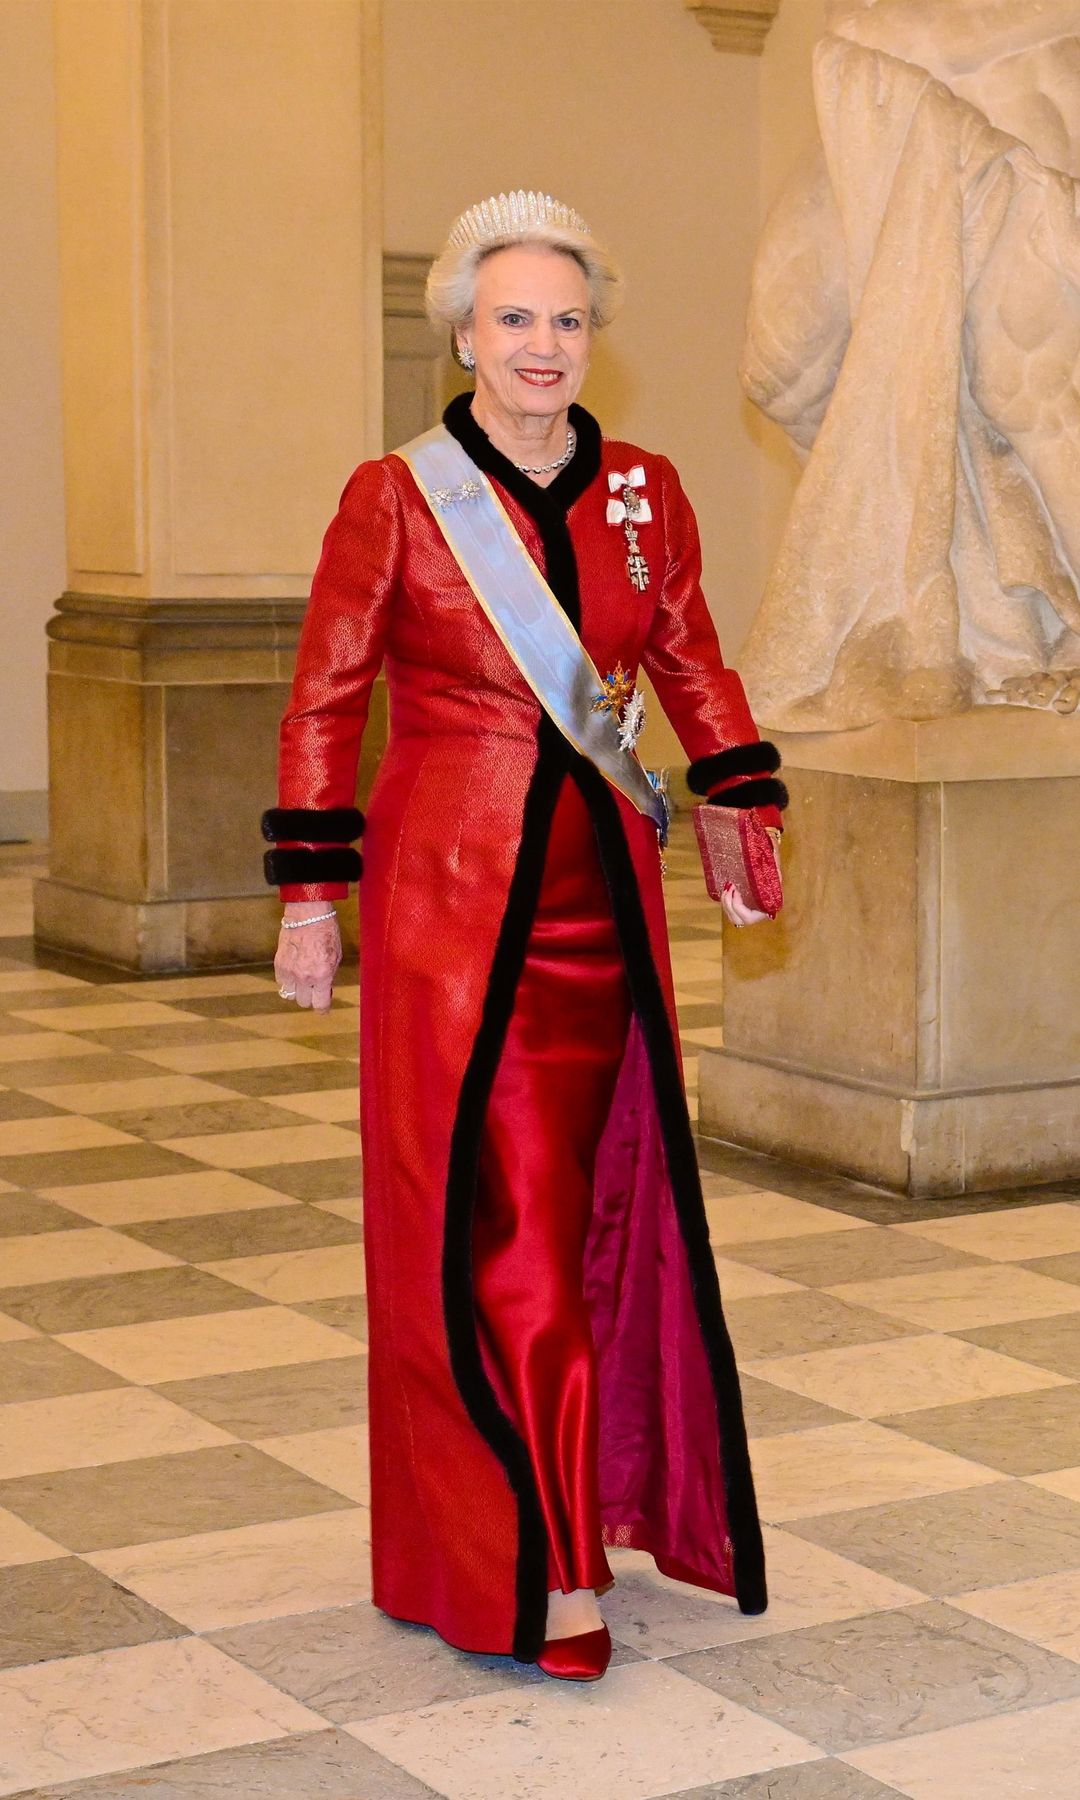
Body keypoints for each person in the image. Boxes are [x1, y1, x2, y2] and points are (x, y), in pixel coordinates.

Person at [263, 191, 787, 1683]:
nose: (543, 344)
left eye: (566, 320)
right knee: (505, 1234)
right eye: (515, 319)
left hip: (604, 920)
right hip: (453, 923)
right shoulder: (397, 497)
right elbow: (326, 698)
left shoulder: (648, 493)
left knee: (591, 1215)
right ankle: (546, 1557)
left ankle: (571, 1506)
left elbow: (691, 660)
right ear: (463, 334)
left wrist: (745, 822)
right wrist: (314, 895)